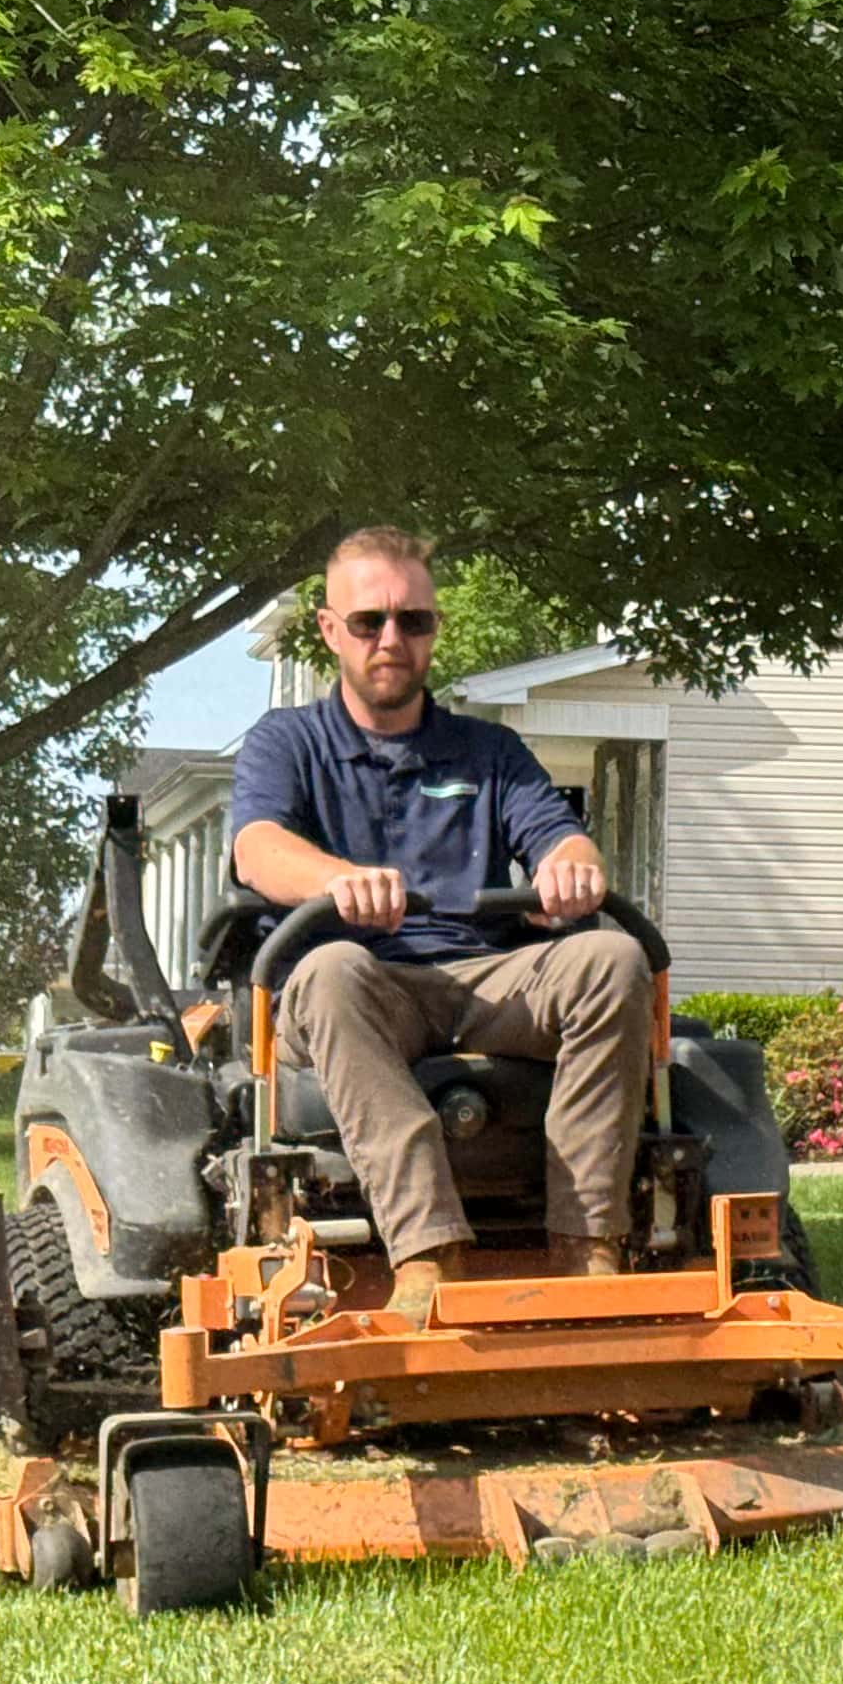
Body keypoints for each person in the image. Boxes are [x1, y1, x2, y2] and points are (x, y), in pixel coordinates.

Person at [227, 527, 649, 1323]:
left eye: (412, 622)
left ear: (434, 630)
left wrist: (569, 865)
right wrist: (338, 882)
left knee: (612, 958)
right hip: (361, 989)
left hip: (483, 978)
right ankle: (428, 1253)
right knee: (327, 970)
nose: (392, 639)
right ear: (329, 631)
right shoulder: (286, 744)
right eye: (369, 622)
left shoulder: (489, 751)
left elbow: (558, 834)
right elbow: (258, 849)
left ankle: (587, 1249)